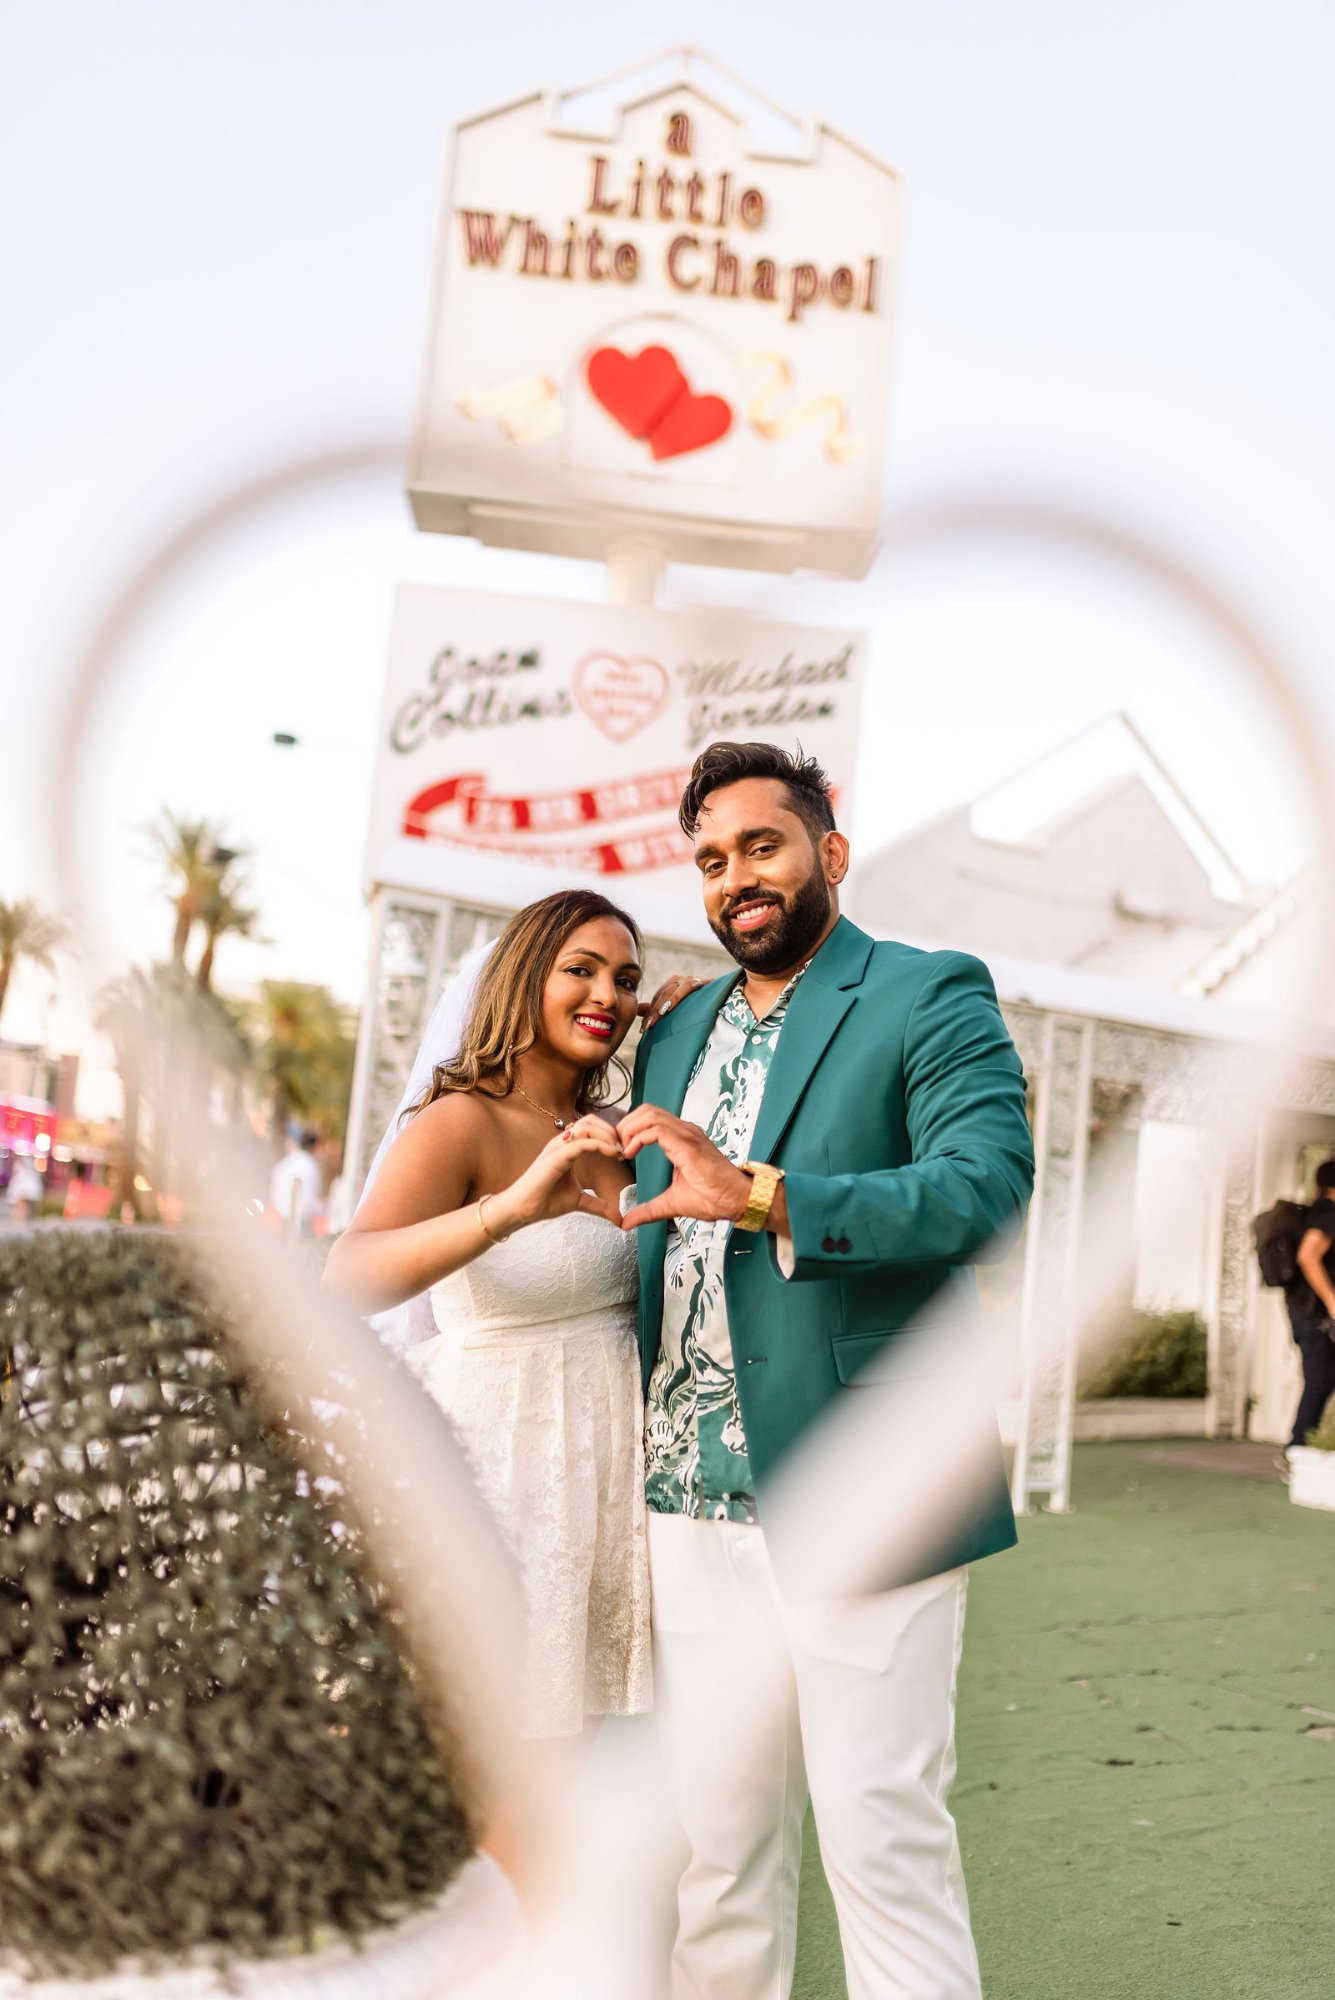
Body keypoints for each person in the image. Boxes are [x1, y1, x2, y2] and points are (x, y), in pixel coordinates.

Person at [618, 741, 1035, 2000]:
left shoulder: (928, 992)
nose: (736, 876)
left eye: (762, 844)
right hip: (684, 1502)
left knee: (878, 1839)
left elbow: (986, 1186)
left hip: (867, 1483)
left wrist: (757, 1190)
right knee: (718, 1855)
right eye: (709, 859)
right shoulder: (676, 1026)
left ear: (829, 854)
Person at [322, 889, 655, 1746]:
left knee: (603, 1750)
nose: (605, 997)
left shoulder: (618, 1132)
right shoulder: (458, 1120)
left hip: (613, 1457)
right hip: (503, 1456)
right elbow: (347, 1276)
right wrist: (506, 1211)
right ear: (519, 980)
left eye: (624, 979)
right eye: (578, 970)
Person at [1286, 1158, 1335, 1448]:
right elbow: (1307, 1256)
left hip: (1306, 1312)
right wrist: (1331, 1300)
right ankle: (1297, 1450)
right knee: (1319, 1381)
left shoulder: (1314, 1211)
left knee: (1323, 1380)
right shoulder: (1328, 1212)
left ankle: (1300, 1449)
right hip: (1315, 1315)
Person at [269, 1128, 322, 1236]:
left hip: (282, 1221)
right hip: (301, 1225)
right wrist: (322, 1210)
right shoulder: (310, 1166)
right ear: (314, 1146)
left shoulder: (285, 1163)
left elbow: (274, 1195)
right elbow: (308, 1202)